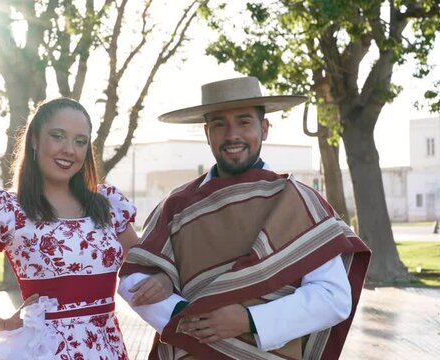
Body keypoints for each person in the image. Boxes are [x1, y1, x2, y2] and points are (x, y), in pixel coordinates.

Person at [118, 77, 372, 359]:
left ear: (264, 129)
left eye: (244, 122)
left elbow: (333, 298)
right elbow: (133, 280)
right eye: (219, 124)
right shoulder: (178, 206)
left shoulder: (298, 202)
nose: (231, 135)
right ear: (206, 133)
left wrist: (249, 320)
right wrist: (179, 311)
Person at [0, 97, 169, 359]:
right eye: (58, 136)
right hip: (44, 352)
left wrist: (164, 278)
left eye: (80, 141)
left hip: (108, 351)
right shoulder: (8, 210)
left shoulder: (108, 206)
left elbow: (145, 269)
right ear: (35, 140)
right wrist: (2, 326)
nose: (69, 150)